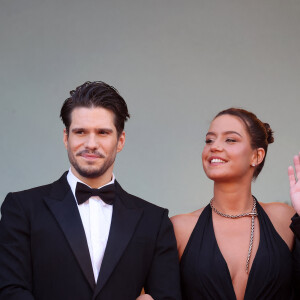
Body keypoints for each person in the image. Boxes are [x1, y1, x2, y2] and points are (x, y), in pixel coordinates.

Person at [0, 81, 181, 300]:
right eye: (80, 132)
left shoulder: (154, 221)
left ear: (120, 140)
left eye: (103, 132)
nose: (91, 143)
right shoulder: (21, 209)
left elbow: (167, 296)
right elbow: (10, 291)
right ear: (66, 138)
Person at [171, 108, 299, 300]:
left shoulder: (283, 219)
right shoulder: (179, 228)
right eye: (209, 140)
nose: (214, 146)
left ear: (257, 156)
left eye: (230, 139)